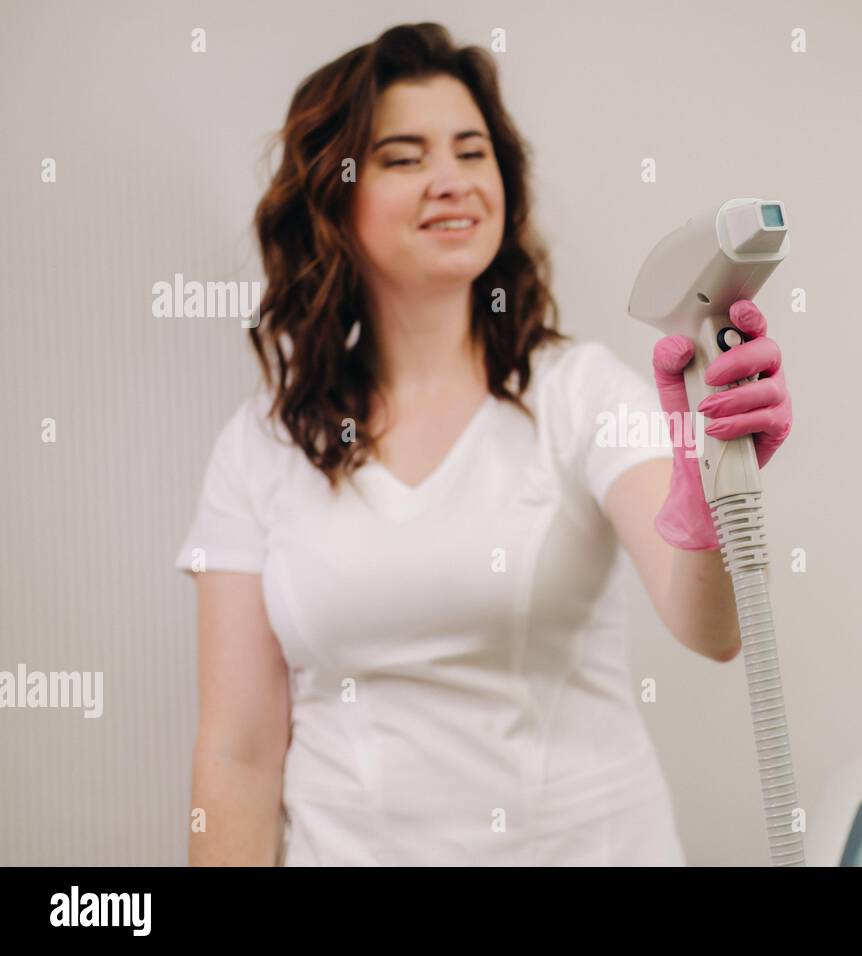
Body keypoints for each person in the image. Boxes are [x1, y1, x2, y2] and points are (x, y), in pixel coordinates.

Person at [174, 22, 793, 866]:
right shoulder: (261, 446)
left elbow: (709, 627)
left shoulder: (578, 393)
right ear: (334, 197)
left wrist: (716, 505)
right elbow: (238, 757)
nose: (451, 181)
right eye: (402, 157)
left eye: (472, 152)